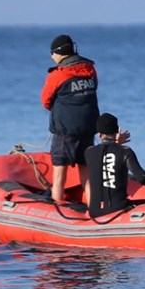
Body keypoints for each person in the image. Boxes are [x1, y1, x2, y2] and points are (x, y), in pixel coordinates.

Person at [83, 113, 145, 219]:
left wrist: (116, 143)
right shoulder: (125, 152)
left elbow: (106, 155)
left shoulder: (89, 152)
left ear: (99, 134)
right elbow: (142, 178)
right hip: (118, 208)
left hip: (95, 212)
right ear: (117, 131)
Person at [40, 34, 100, 203]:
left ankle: (57, 209)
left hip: (65, 132)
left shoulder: (58, 75)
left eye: (53, 53)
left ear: (59, 53)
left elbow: (45, 101)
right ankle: (93, 208)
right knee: (86, 173)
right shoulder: (90, 70)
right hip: (88, 129)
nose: (52, 57)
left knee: (59, 175)